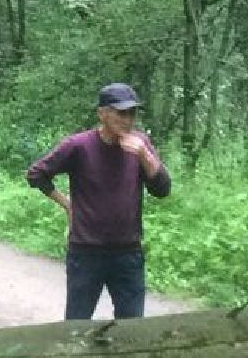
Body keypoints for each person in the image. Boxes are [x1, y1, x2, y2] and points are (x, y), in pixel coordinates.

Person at [25, 82, 171, 321]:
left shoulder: (139, 145)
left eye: (132, 113)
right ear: (102, 113)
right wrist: (67, 203)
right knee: (77, 325)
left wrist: (144, 156)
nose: (127, 120)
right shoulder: (79, 146)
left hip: (128, 252)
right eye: (121, 112)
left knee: (132, 328)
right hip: (86, 252)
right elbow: (37, 174)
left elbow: (162, 190)